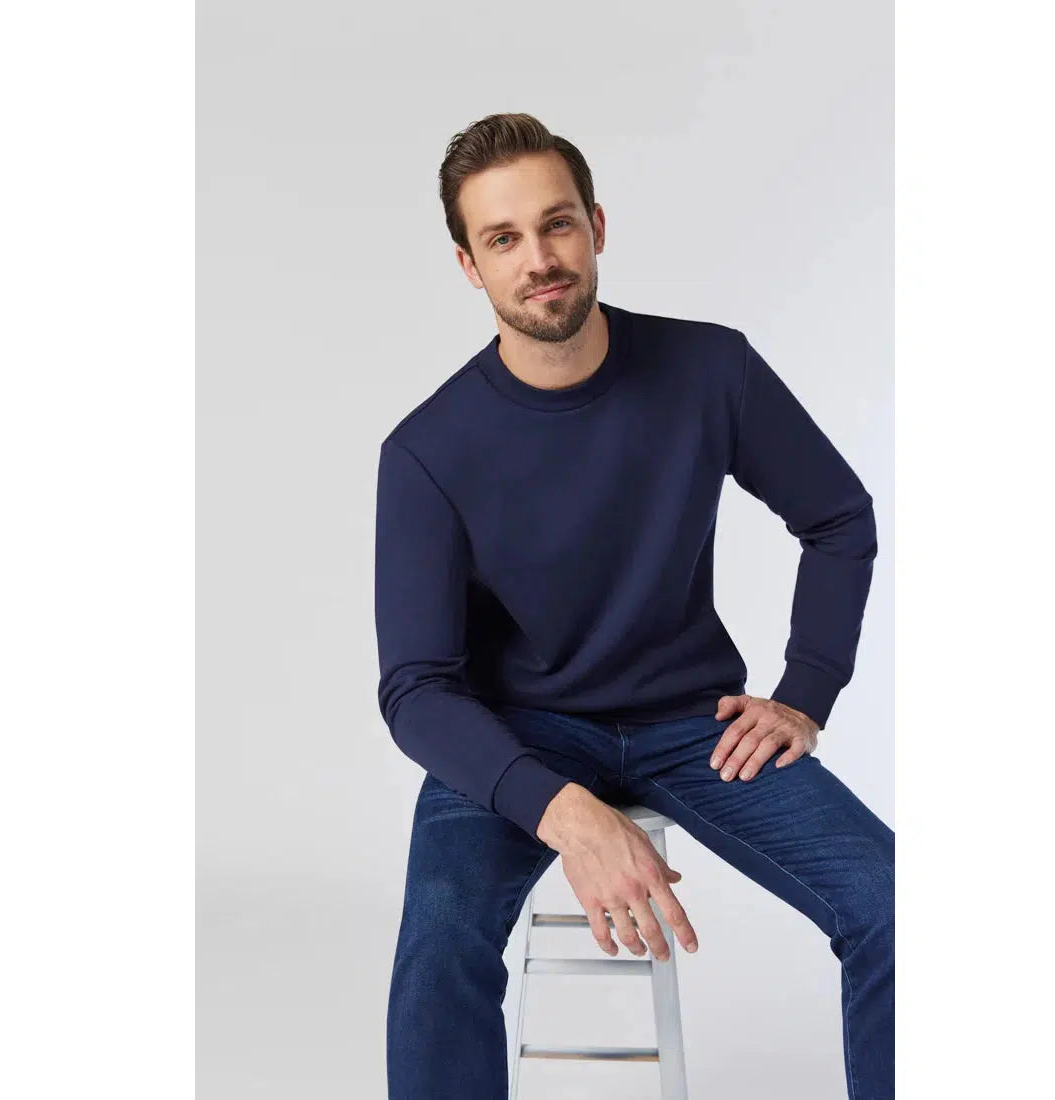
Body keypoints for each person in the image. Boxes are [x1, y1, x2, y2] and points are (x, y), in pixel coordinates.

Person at [374, 112, 894, 1100]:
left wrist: (806, 690)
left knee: (896, 904)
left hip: (692, 724)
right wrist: (563, 812)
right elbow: (416, 689)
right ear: (470, 267)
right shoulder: (427, 451)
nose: (539, 259)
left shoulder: (710, 370)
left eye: (556, 224)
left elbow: (837, 518)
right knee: (437, 941)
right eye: (503, 238)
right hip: (515, 734)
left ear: (597, 227)